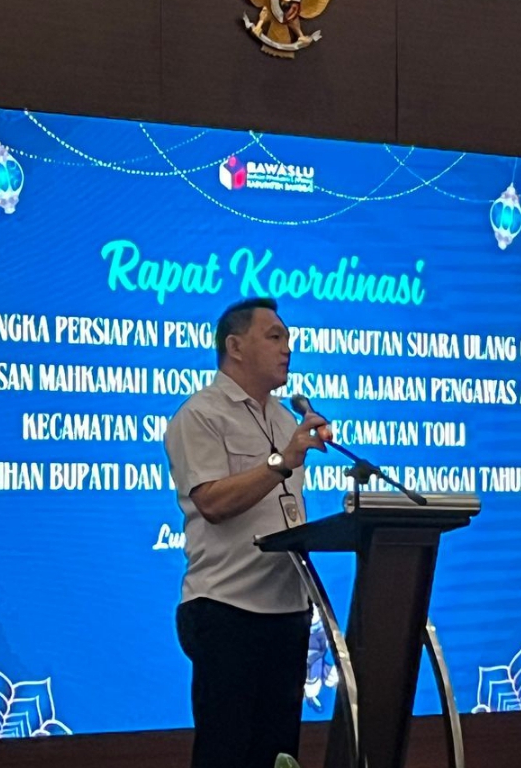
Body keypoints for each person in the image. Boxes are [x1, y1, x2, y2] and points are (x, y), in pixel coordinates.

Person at [165, 297, 328, 768]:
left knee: (278, 757)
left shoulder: (284, 419)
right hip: (227, 610)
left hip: (288, 610)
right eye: (274, 337)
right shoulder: (201, 414)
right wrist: (280, 463)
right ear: (235, 347)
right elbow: (212, 503)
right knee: (227, 755)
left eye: (288, 338)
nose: (287, 348)